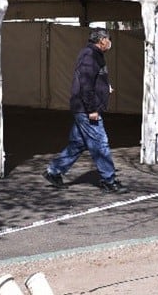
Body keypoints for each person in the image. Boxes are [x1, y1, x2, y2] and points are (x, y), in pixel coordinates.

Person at [42, 27, 128, 194]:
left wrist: (105, 88)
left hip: (83, 108)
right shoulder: (90, 55)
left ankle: (54, 171)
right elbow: (85, 84)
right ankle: (109, 180)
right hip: (86, 110)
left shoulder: (94, 55)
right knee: (100, 143)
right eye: (108, 39)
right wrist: (92, 109)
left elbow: (94, 80)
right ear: (102, 40)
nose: (110, 42)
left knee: (78, 143)